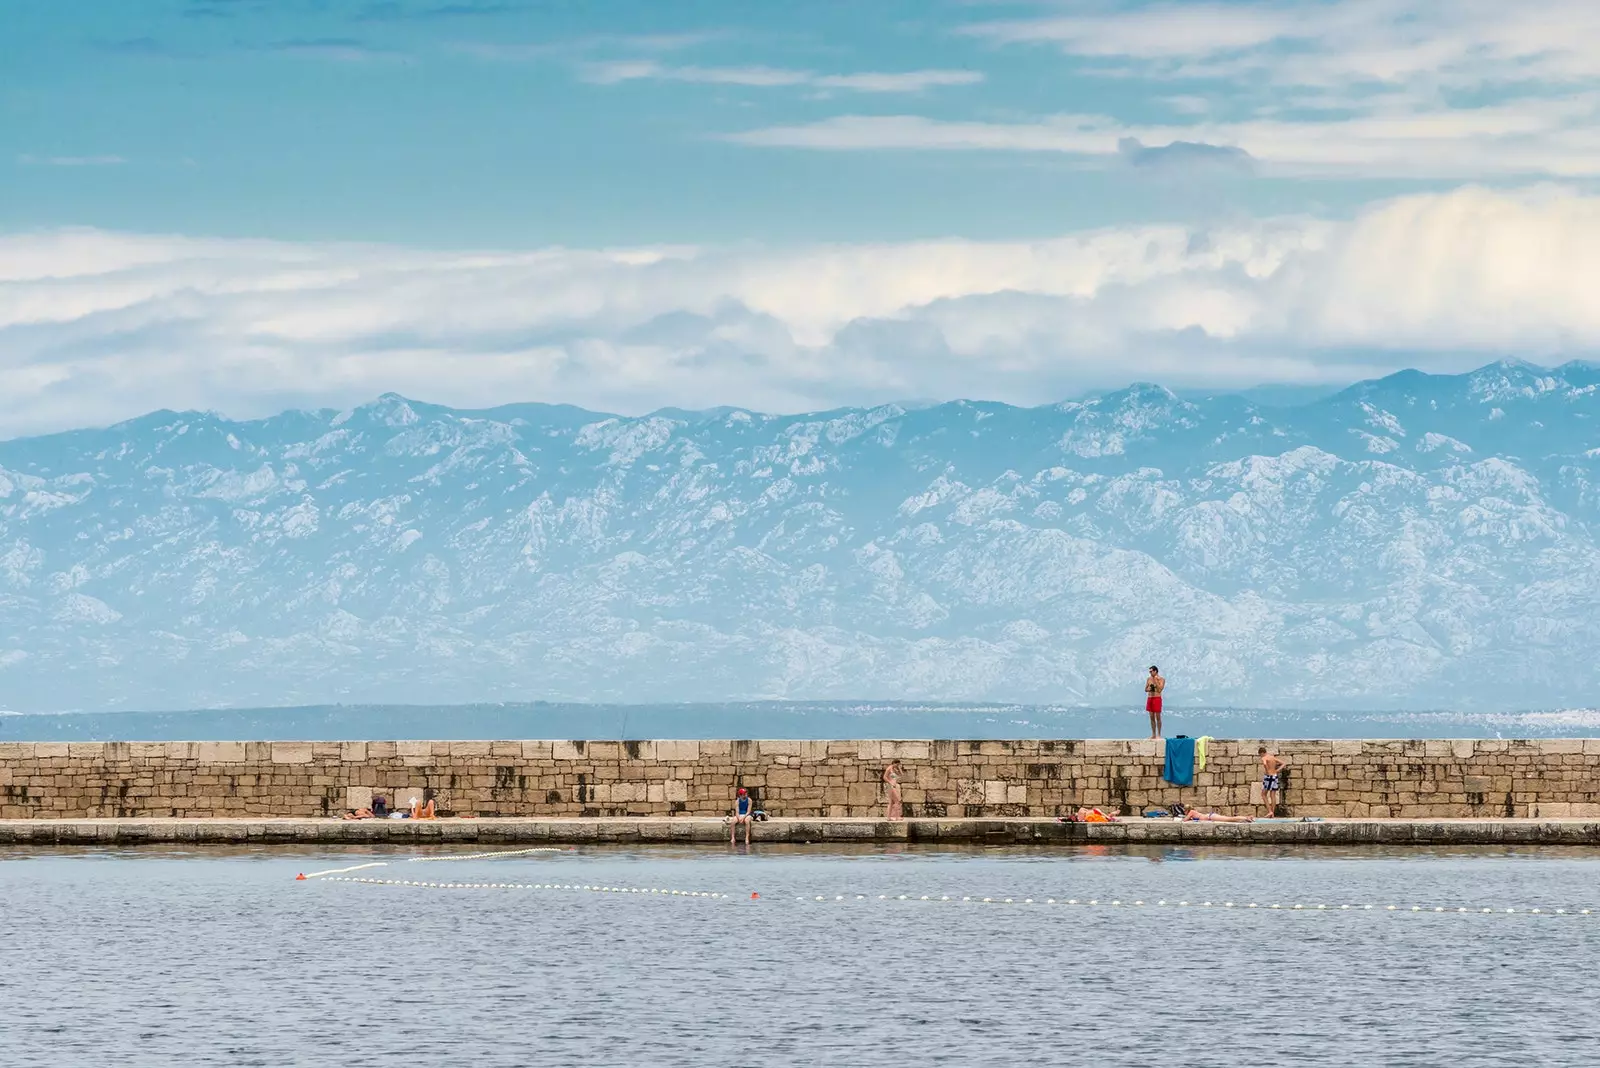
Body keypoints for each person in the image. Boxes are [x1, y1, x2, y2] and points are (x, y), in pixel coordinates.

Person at [1259, 746, 1286, 815]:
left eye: (1260, 755)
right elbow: (1284, 763)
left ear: (1261, 753)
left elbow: (1265, 763)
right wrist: (1277, 770)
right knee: (1272, 795)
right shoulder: (1272, 757)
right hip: (1275, 776)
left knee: (1263, 794)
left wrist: (1267, 770)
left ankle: (1270, 811)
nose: (1260, 756)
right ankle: (1272, 813)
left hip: (1269, 777)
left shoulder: (1264, 757)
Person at [1144, 665, 1165, 739]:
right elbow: (1145, 689)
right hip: (1150, 698)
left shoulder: (1161, 679)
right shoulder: (1149, 679)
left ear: (1155, 671)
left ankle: (1159, 734)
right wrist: (1149, 688)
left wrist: (1156, 681)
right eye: (1149, 671)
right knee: (1151, 717)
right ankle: (1153, 734)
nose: (1150, 673)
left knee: (1158, 717)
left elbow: (1160, 690)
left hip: (1157, 698)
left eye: (1151, 671)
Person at [1182, 808, 1255, 823]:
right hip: (1211, 816)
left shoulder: (1191, 812)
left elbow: (1184, 820)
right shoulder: (1193, 812)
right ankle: (1246, 818)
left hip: (1210, 817)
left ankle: (1246, 817)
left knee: (1229, 819)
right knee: (1229, 819)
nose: (1184, 813)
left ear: (1186, 810)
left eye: (1184, 811)